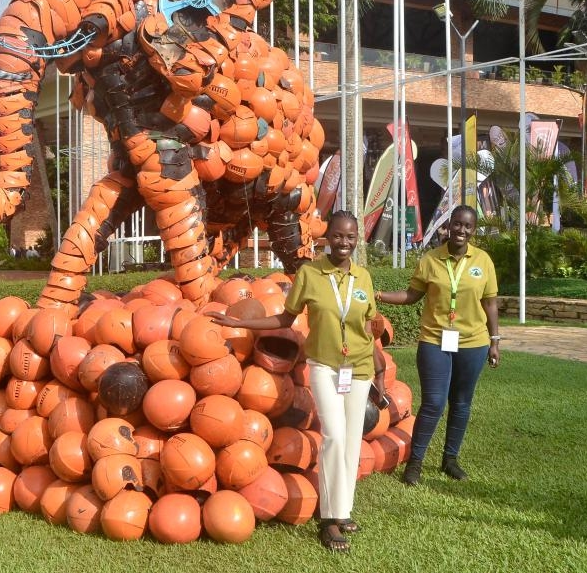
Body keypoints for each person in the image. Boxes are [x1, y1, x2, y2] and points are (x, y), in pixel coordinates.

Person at [213, 210, 386, 553]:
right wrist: (239, 321)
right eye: (338, 236)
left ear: (356, 240)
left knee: (351, 440)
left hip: (360, 367)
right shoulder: (310, 274)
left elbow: (369, 328)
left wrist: (379, 370)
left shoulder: (363, 278)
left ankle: (343, 509)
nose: (344, 243)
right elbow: (284, 317)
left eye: (350, 237)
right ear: (327, 238)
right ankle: (329, 519)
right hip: (324, 366)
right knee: (334, 435)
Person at [375, 204, 500, 485]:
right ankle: (415, 463)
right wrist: (379, 294)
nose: (461, 230)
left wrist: (494, 341)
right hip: (435, 339)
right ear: (449, 225)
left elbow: (490, 304)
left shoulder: (483, 261)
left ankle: (450, 459)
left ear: (473, 230)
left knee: (461, 403)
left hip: (474, 343)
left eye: (467, 226)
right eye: (457, 224)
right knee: (433, 402)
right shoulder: (431, 259)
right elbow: (411, 295)